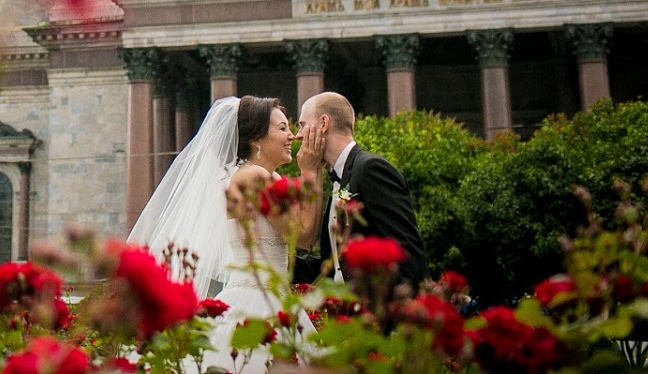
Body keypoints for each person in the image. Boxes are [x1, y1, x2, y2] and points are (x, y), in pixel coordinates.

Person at [127, 96, 319, 373]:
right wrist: (310, 171)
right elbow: (302, 235)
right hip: (255, 299)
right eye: (281, 129)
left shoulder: (269, 178)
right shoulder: (252, 176)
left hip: (274, 295)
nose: (291, 136)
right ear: (257, 140)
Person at [294, 91, 426, 290]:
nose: (298, 135)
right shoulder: (338, 176)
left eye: (302, 125)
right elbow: (333, 265)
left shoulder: (371, 169)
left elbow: (407, 254)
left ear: (323, 123)